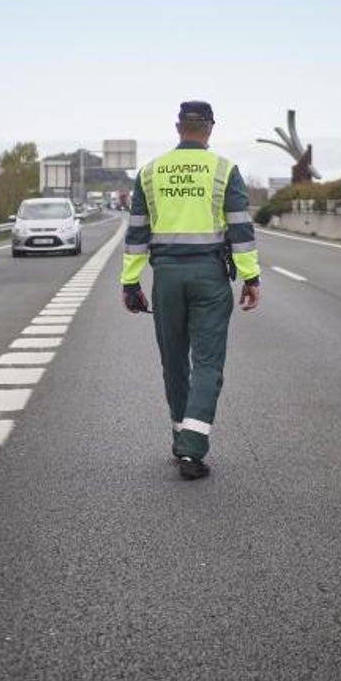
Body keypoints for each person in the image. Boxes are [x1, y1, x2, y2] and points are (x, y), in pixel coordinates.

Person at [121, 100, 261, 480]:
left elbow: (136, 233)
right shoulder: (224, 169)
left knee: (174, 360)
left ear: (178, 126)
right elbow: (240, 230)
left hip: (166, 276)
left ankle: (181, 435)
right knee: (208, 362)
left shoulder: (150, 172)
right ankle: (192, 449)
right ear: (210, 128)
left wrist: (131, 283)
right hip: (210, 276)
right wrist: (251, 277)